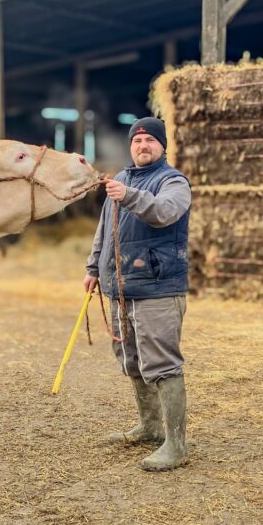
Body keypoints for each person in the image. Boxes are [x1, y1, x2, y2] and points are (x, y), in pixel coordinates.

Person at [83, 117, 191, 471]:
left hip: (157, 288)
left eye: (149, 141)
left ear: (162, 146)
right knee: (131, 360)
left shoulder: (173, 182)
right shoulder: (123, 179)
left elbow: (164, 213)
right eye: (137, 141)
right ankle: (150, 426)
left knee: (161, 364)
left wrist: (128, 196)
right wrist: (92, 268)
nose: (142, 146)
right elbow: (104, 230)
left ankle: (176, 445)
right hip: (121, 287)